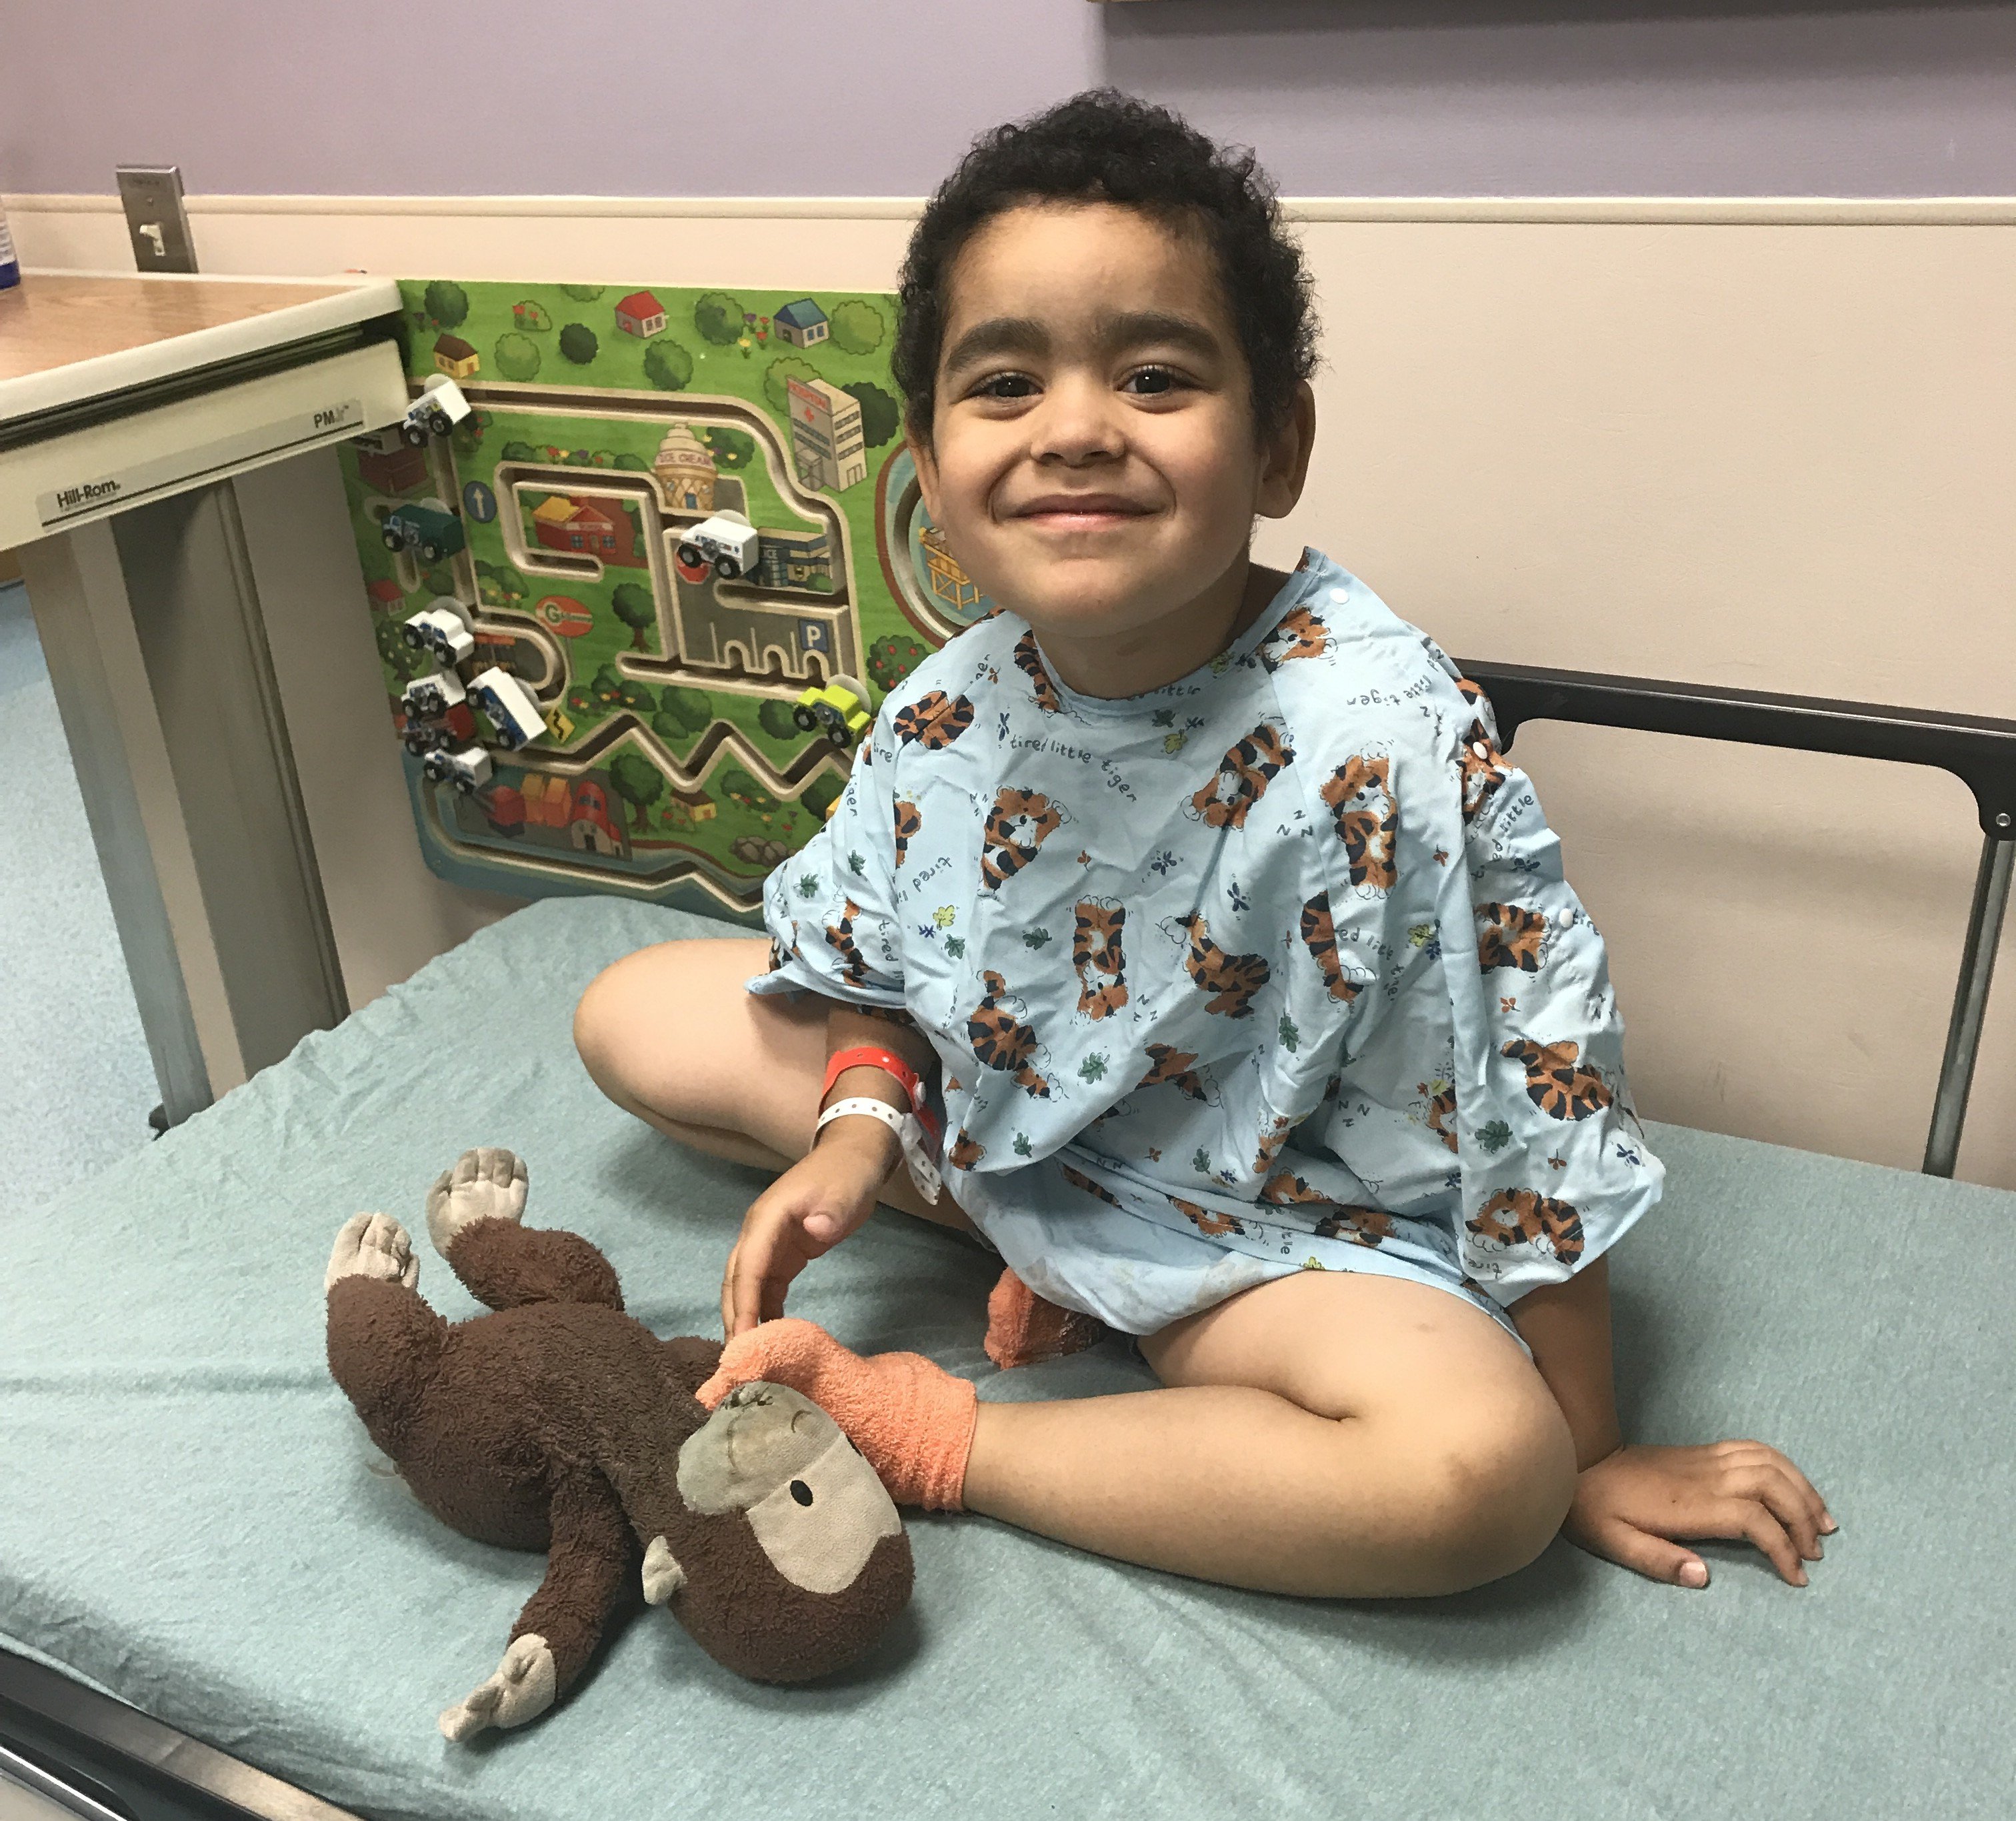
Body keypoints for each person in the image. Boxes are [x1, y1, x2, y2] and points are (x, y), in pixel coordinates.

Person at [574, 89, 1834, 1600]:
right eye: (1006, 383)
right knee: (630, 1010)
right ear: (928, 472)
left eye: (1156, 373)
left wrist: (1591, 1439)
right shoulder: (943, 713)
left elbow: (1532, 1097)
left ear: (1278, 446)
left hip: (1283, 1236)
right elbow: (875, 969)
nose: (1077, 428)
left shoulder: (1382, 742)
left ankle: (941, 1430)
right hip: (1018, 1147)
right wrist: (857, 1137)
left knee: (1484, 1476)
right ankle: (1058, 1274)